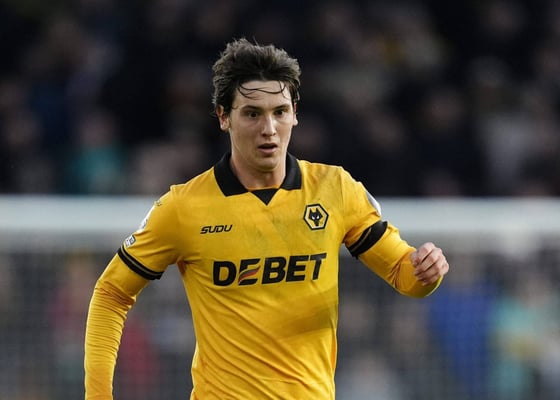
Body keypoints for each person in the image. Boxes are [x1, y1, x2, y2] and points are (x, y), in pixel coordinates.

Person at [84, 38, 450, 400]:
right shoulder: (183, 207)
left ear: (295, 113)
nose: (269, 128)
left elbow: (403, 274)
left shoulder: (335, 189)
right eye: (252, 113)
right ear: (224, 117)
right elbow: (112, 293)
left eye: (280, 112)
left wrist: (425, 271)